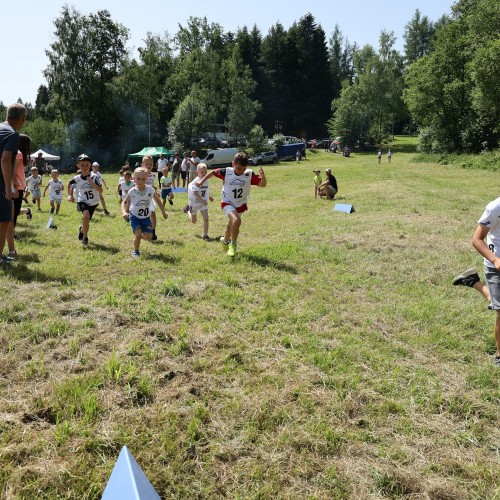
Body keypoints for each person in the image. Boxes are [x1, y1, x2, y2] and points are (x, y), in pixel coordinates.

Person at [453, 197, 500, 367]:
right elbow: (477, 239)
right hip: (496, 267)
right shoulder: (495, 208)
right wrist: (495, 260)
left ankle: (472, 281)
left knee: (497, 303)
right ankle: (499, 355)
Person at [196, 151, 266, 257]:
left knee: (231, 226)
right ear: (233, 164)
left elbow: (262, 184)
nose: (241, 171)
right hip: (227, 202)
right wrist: (201, 182)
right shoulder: (227, 172)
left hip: (240, 205)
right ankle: (233, 245)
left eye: (243, 169)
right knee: (236, 220)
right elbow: (213, 173)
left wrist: (263, 176)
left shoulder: (248, 174)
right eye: (238, 168)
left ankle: (225, 242)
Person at [0, 103, 27, 264]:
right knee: (4, 220)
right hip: (0, 185)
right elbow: (5, 160)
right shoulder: (12, 134)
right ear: (22, 119)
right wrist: (8, 188)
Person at [122, 166, 168, 257]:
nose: (141, 181)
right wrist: (124, 212)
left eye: (143, 179)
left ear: (146, 179)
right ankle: (136, 251)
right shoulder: (132, 191)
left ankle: (139, 231)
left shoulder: (150, 189)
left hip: (146, 217)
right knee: (138, 235)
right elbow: (124, 202)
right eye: (138, 179)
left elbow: (158, 200)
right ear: (134, 179)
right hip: (134, 216)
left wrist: (163, 212)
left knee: (149, 237)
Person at [67, 154, 103, 247]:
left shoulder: (95, 177)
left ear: (90, 165)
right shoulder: (77, 178)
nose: (85, 167)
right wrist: (69, 195)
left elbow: (100, 190)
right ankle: (85, 237)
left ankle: (82, 230)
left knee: (87, 220)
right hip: (82, 200)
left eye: (87, 165)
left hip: (94, 202)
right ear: (78, 165)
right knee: (86, 216)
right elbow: (69, 184)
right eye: (82, 165)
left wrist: (91, 182)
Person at [6, 134, 32, 257]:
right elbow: (12, 171)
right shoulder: (19, 153)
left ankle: (11, 239)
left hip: (16, 186)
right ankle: (10, 246)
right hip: (16, 188)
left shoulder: (15, 153)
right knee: (13, 215)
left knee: (13, 215)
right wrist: (16, 186)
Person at [186, 162, 214, 240]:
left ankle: (205, 235)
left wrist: (209, 197)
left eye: (205, 172)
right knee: (193, 221)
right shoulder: (195, 182)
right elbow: (195, 193)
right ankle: (188, 210)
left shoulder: (206, 180)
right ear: (197, 172)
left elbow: (205, 190)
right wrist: (201, 200)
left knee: (206, 218)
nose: (204, 174)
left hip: (203, 203)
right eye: (202, 172)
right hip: (194, 203)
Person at [142, 155, 159, 241]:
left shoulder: (153, 175)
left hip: (150, 198)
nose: (149, 166)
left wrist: (155, 191)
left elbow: (151, 185)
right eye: (147, 164)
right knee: (143, 216)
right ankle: (142, 231)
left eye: (151, 164)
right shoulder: (140, 174)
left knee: (153, 214)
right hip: (141, 198)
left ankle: (153, 231)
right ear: (142, 164)